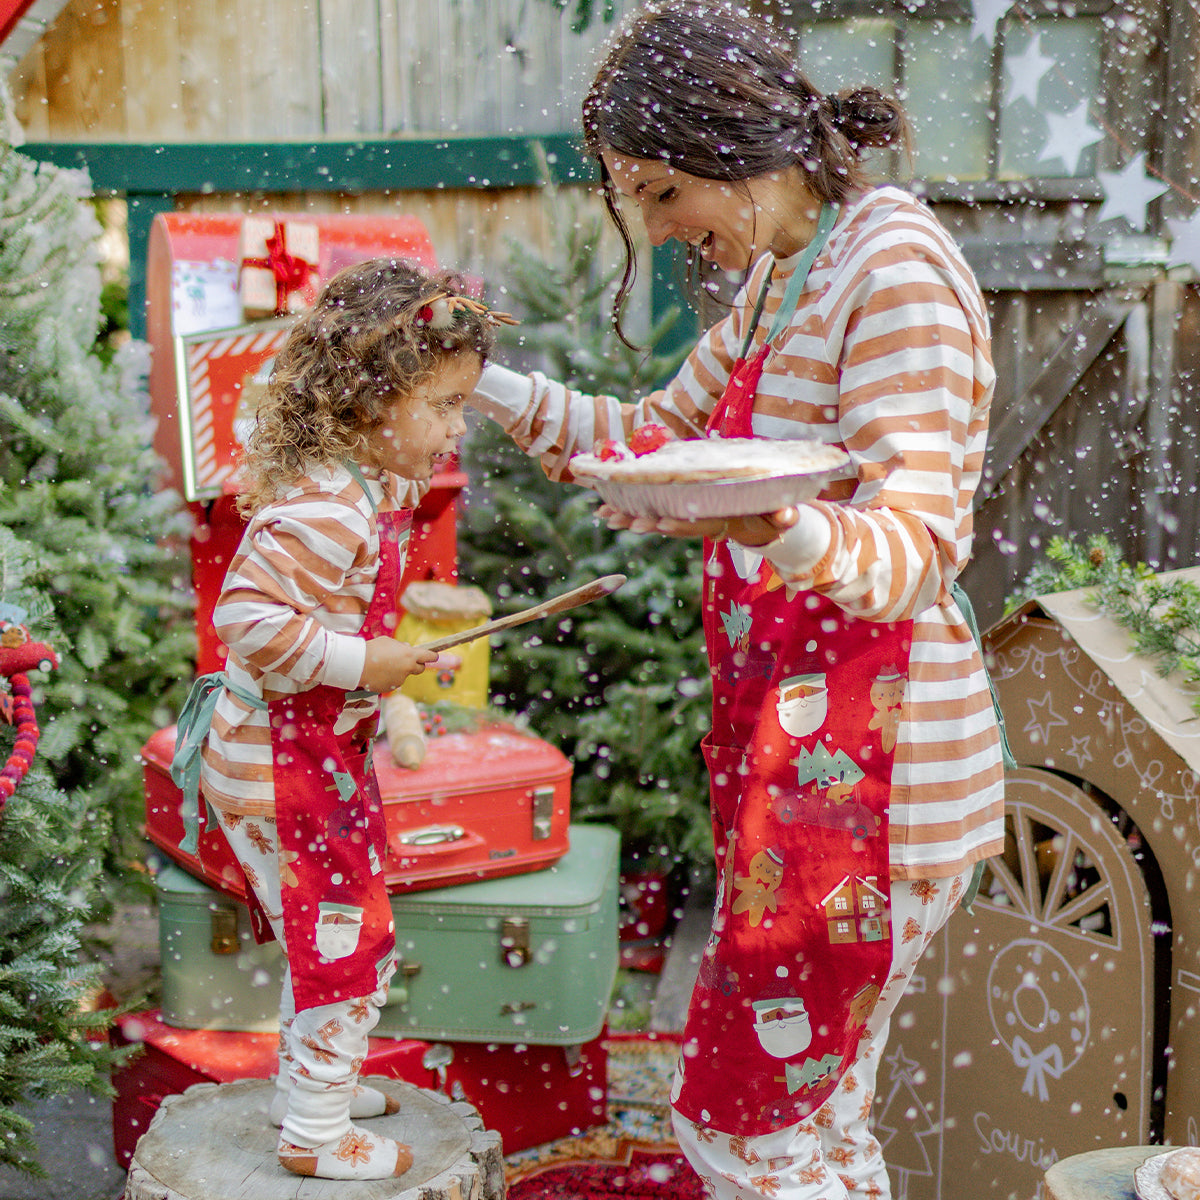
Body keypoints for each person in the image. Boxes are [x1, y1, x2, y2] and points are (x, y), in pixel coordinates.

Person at [469, 3, 1005, 1198]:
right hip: (802, 775)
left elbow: (917, 549)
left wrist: (774, 524)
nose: (660, 232)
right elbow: (639, 438)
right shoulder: (780, 279)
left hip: (886, 789)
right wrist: (480, 377)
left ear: (734, 141)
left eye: (663, 193)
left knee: (744, 1127)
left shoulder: (895, 271)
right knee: (819, 1121)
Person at [172, 258, 506, 1181]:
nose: (454, 428)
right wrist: (367, 664)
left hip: (303, 750)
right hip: (279, 761)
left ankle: (309, 1086)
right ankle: (315, 1133)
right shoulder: (330, 510)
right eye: (441, 405)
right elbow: (244, 620)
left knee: (333, 932)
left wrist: (380, 675)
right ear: (366, 401)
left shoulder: (363, 485)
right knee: (349, 941)